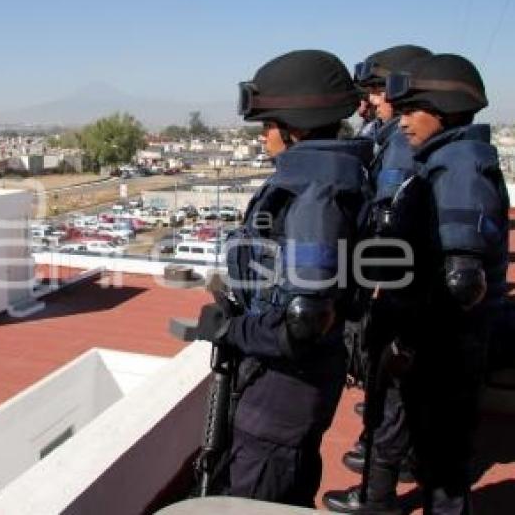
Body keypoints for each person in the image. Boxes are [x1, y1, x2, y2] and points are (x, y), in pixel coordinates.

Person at [215, 49, 372, 507]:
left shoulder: (314, 200)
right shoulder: (323, 182)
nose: (264, 138)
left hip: (283, 396)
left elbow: (304, 322)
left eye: (268, 125)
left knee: (258, 499)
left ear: (295, 126)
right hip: (291, 392)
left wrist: (230, 329)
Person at [384, 54, 508, 514]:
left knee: (445, 471)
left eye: (411, 111)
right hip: (445, 341)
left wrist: (410, 330)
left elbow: (461, 281)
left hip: (448, 347)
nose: (400, 123)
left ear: (445, 109)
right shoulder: (449, 159)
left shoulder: (457, 167)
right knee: (439, 459)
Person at [326, 44, 433, 514]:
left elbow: (386, 223)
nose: (369, 102)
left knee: (390, 385)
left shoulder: (399, 148)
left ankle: (380, 487)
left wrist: (373, 286)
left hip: (393, 286)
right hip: (395, 281)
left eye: (378, 91)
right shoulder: (395, 139)